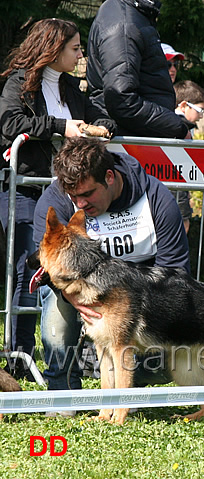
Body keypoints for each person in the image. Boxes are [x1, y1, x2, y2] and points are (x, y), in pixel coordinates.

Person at [32, 137, 189, 416]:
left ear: (109, 176)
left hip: (144, 296)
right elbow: (43, 264)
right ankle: (62, 392)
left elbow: (175, 271)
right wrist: (73, 298)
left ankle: (134, 379)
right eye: (74, 197)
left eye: (88, 194)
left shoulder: (156, 199)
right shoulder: (56, 199)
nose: (80, 204)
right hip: (78, 291)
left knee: (163, 366)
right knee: (56, 303)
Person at [0, 18, 116, 381]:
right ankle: (18, 359)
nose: (81, 54)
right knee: (26, 270)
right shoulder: (18, 83)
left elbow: (95, 113)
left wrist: (102, 124)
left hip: (65, 193)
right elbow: (8, 123)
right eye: (75, 48)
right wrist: (59, 127)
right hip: (24, 190)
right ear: (52, 49)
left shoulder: (70, 87)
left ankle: (70, 359)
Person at [85, 0, 190, 140]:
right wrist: (177, 127)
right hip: (129, 141)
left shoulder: (133, 15)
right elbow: (122, 99)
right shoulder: (124, 24)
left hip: (137, 137)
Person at [172, 80, 204, 233]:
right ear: (183, 106)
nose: (201, 116)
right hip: (176, 187)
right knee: (182, 227)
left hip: (179, 186)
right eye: (199, 110)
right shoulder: (180, 127)